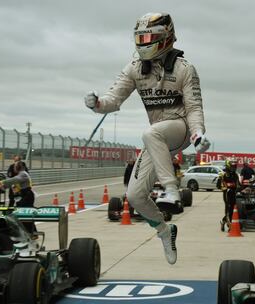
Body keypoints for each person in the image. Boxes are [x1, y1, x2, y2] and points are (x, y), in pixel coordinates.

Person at [84, 12, 210, 264]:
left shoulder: (185, 69)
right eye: (140, 38)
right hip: (157, 139)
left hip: (181, 128)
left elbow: (194, 106)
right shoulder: (134, 68)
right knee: (135, 196)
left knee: (150, 132)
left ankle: (172, 191)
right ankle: (165, 231)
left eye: (149, 37)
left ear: (165, 38)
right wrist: (97, 104)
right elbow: (114, 99)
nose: (144, 42)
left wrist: (198, 132)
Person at [0, 161, 36, 233]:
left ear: (18, 167)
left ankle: (32, 232)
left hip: (27, 196)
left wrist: (2, 182)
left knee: (26, 215)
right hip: (23, 196)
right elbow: (12, 184)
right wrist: (2, 186)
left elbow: (15, 180)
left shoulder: (23, 174)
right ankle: (31, 232)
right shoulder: (19, 175)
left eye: (15, 166)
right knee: (24, 215)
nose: (13, 167)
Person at [220, 159, 239, 231]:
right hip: (227, 194)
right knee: (228, 209)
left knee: (232, 210)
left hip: (233, 194)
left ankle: (223, 221)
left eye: (235, 166)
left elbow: (238, 185)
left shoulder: (235, 175)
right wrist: (228, 186)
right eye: (232, 166)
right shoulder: (224, 175)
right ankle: (229, 224)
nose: (234, 168)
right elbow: (222, 186)